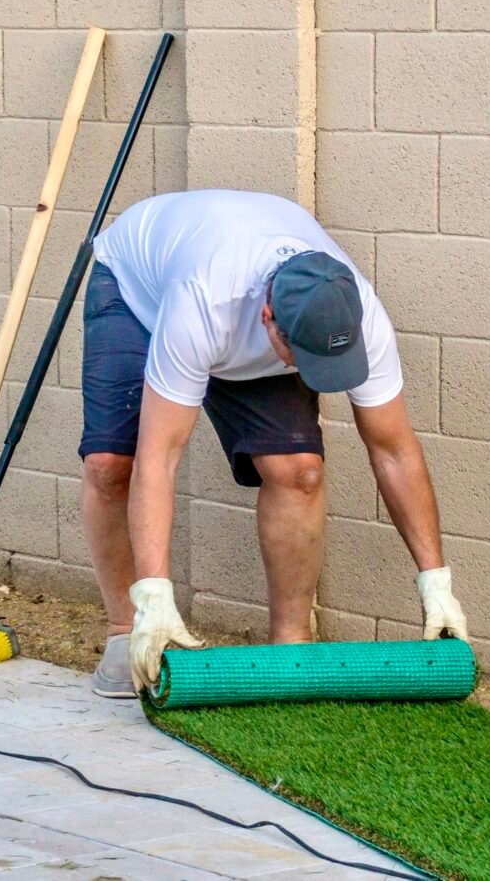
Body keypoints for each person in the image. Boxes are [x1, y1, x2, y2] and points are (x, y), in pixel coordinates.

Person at [80, 190, 469, 698]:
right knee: (113, 463)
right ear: (268, 318)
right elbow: (162, 455)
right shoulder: (204, 301)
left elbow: (394, 451)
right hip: (139, 292)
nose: (311, 374)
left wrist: (435, 583)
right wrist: (153, 594)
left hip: (238, 311)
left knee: (298, 471)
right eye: (301, 356)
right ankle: (124, 629)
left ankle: (290, 648)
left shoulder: (358, 314)